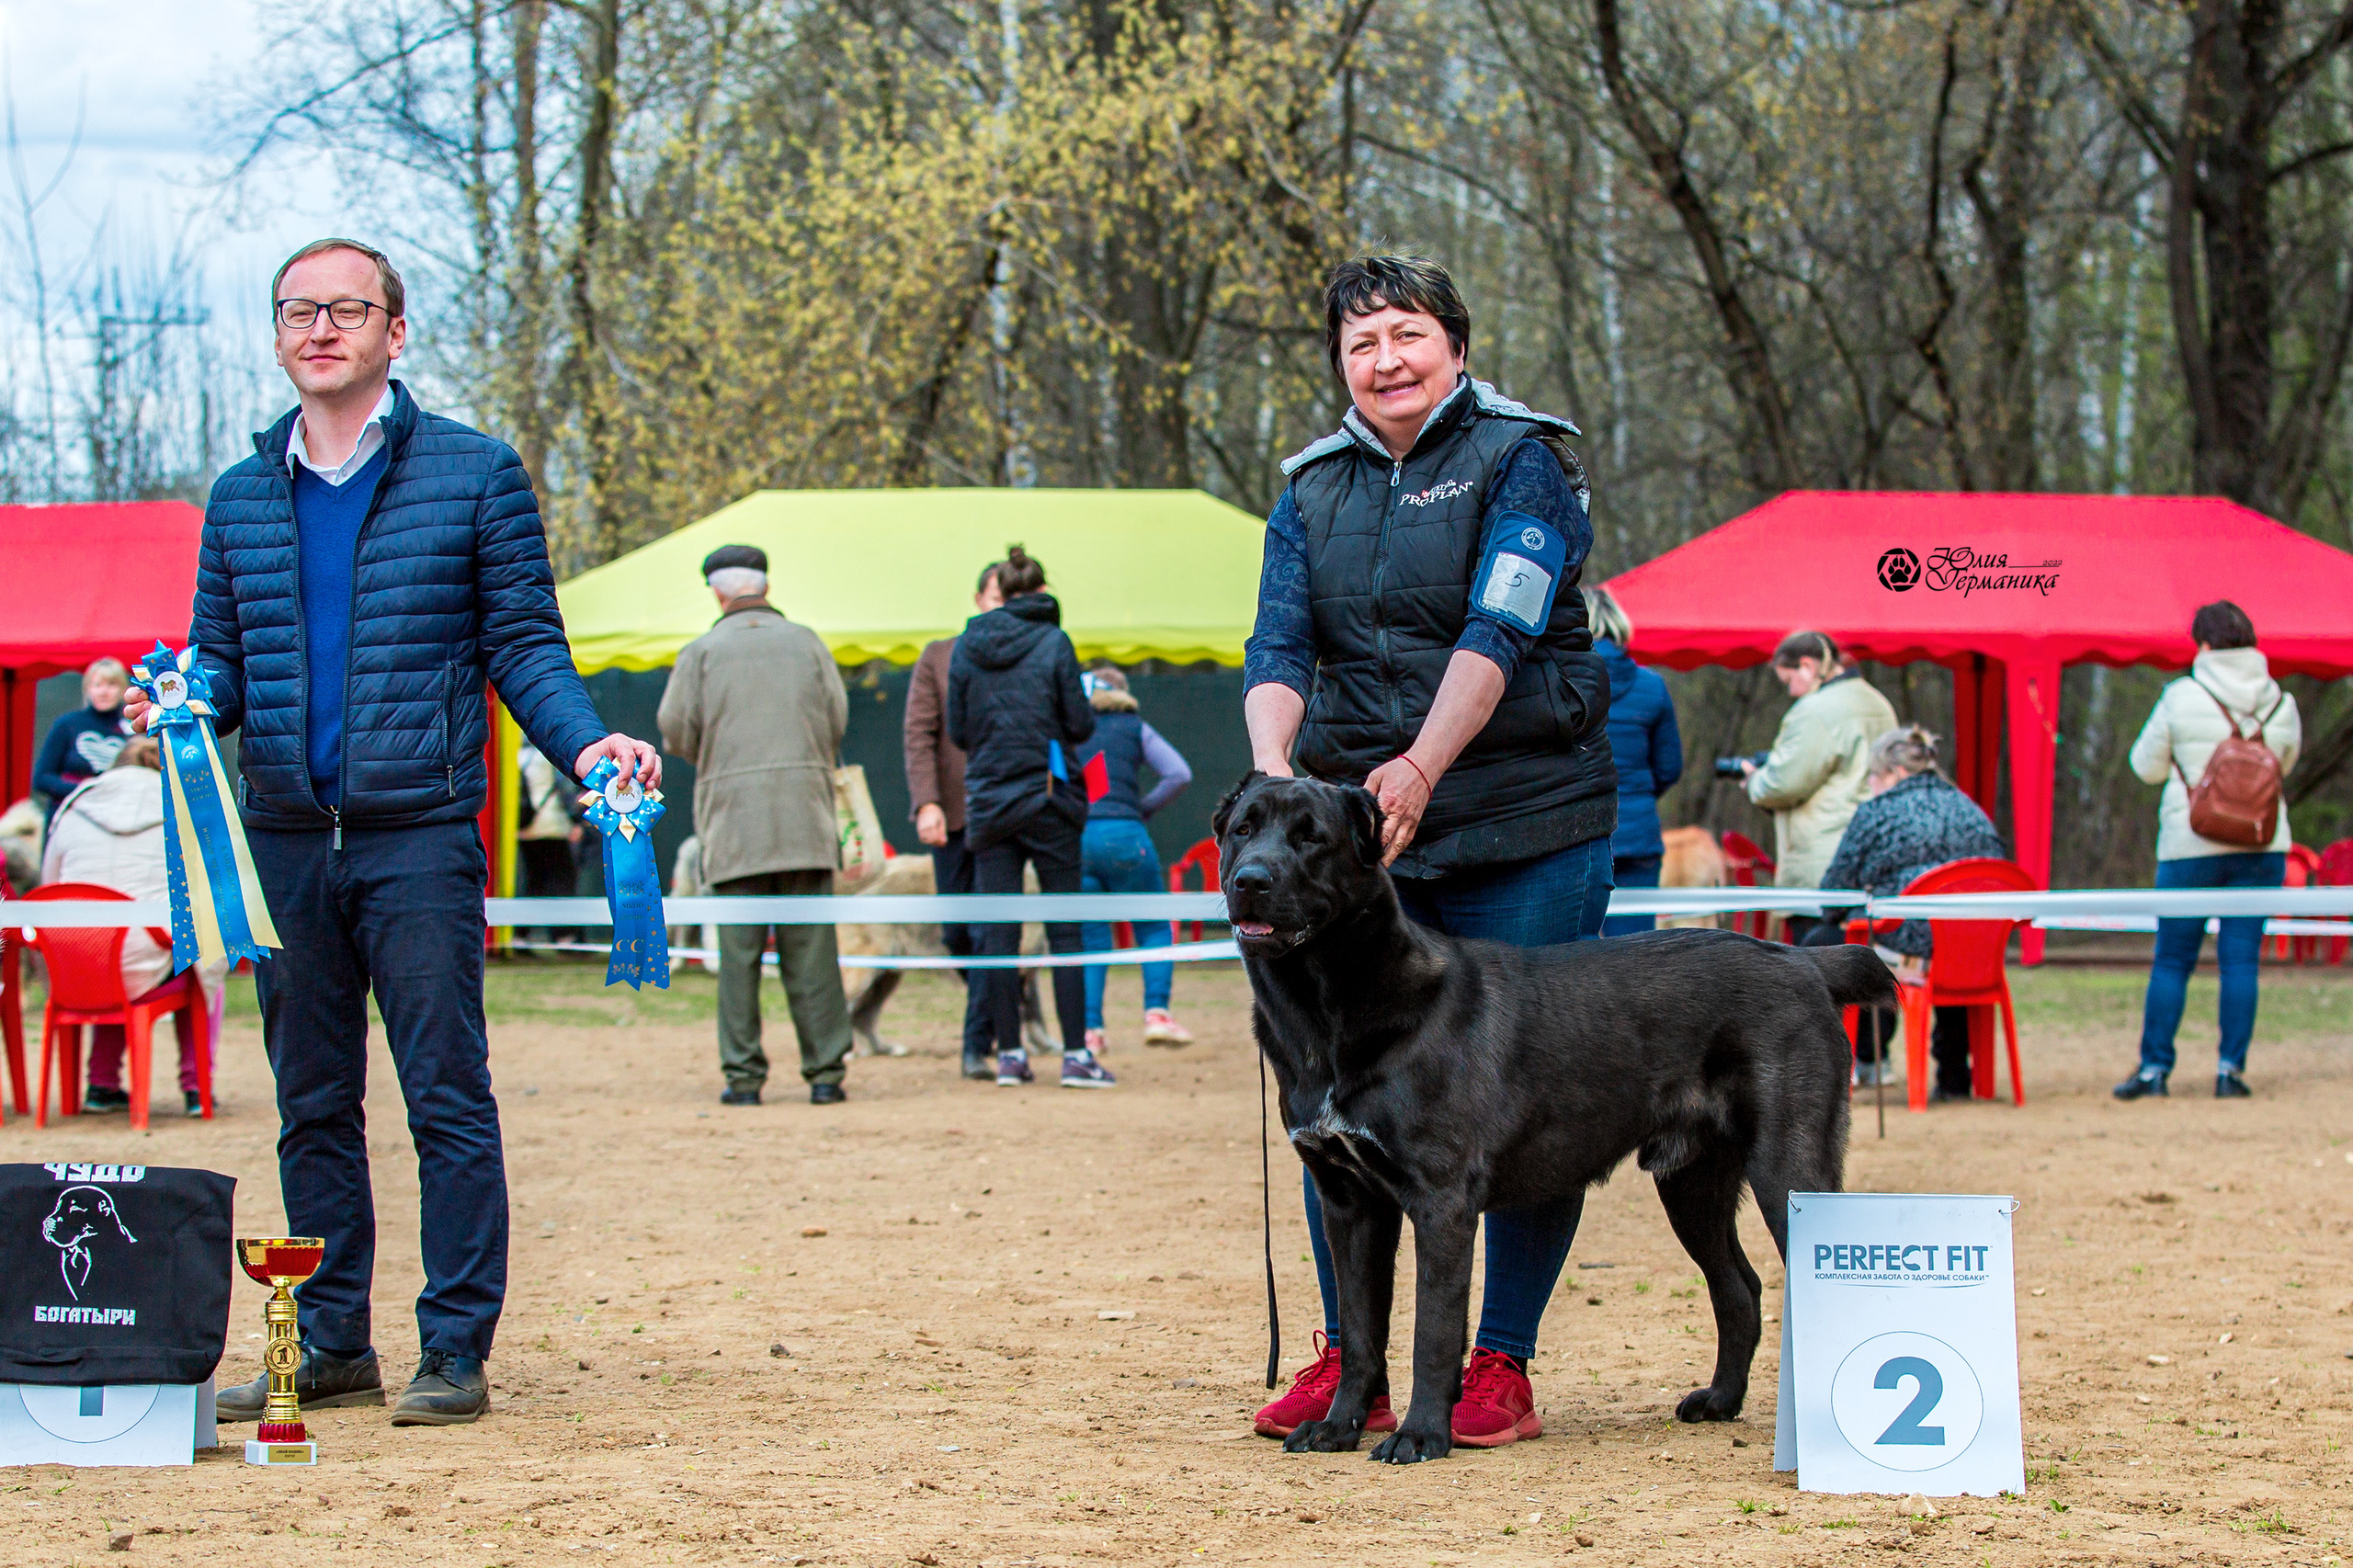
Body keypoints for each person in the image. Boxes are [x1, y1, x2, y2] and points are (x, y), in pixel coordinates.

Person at [132, 236, 657, 1429]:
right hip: (279, 837)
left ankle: (455, 1347)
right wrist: (185, 698)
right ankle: (329, 1341)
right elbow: (219, 651)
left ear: (394, 331)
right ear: (278, 333)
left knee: (445, 1096)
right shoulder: (237, 494)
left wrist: (585, 746)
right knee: (312, 1102)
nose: (319, 328)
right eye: (297, 311)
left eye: (346, 309)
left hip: (418, 836)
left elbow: (525, 641)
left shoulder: (476, 475)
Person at [1243, 255, 1616, 1449]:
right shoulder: (1310, 491)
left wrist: (1423, 764)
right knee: (1333, 1096)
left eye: (1407, 334)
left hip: (1527, 818)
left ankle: (1496, 1357)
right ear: (1340, 363)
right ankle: (1354, 1354)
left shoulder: (1524, 460)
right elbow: (1278, 644)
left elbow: (1501, 621)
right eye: (1362, 343)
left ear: (1454, 343)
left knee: (1530, 1097)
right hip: (1365, 848)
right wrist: (1275, 779)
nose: (1386, 359)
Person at [657, 544, 856, 1108]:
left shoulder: (700, 653)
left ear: (718, 591)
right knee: (814, 955)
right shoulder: (809, 644)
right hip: (805, 822)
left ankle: (743, 1079)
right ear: (764, 587)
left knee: (737, 959)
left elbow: (675, 729)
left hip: (733, 824)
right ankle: (825, 1075)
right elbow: (836, 720)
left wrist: (721, 762)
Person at [2115, 600, 2301, 1100]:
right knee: (2241, 962)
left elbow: (2145, 767)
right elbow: (2286, 762)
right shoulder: (2281, 702)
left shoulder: (2180, 696)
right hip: (2262, 846)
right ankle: (2229, 1071)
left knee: (2172, 960)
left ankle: (2155, 1070)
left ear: (2202, 644)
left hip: (2189, 844)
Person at [945, 544, 1108, 1088]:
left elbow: (959, 732)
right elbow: (1080, 726)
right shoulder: (1054, 641)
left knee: (997, 933)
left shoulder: (966, 644)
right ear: (1040, 592)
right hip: (1047, 799)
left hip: (989, 802)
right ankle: (1075, 1057)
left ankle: (1009, 1055)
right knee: (1065, 930)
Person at [1810, 727, 2006, 1097]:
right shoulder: (1971, 809)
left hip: (1904, 952)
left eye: (1873, 776)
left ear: (1895, 773)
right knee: (1948, 931)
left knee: (1824, 942)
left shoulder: (1876, 813)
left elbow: (1833, 898)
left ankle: (1850, 1061)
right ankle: (1953, 1074)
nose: (1870, 785)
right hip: (1975, 952)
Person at [39, 738, 224, 1118]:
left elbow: (50, 883)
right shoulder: (181, 806)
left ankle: (101, 1084)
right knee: (203, 958)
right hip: (145, 952)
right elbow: (202, 888)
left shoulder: (75, 805)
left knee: (111, 945)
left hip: (76, 962)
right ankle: (196, 1086)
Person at [905, 562, 1006, 1080]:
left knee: (991, 930)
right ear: (978, 599)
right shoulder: (938, 656)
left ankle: (977, 1044)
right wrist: (927, 803)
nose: (1002, 605)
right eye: (995, 596)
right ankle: (1004, 997)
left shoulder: (1037, 652)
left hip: (1007, 812)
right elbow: (918, 733)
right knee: (956, 934)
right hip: (953, 810)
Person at [1072, 664, 1195, 1051]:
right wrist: (1142, 808)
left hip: (1077, 840)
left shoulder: (1069, 729)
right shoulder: (1134, 727)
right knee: (1154, 926)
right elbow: (1178, 774)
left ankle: (1090, 1032)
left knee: (1091, 938)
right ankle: (1157, 1014)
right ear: (1123, 692)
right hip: (1125, 835)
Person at [1742, 629, 1897, 937]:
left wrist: (1754, 781)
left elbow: (1782, 784)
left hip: (1819, 868)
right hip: (1870, 860)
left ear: (1808, 666)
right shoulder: (1879, 704)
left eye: (1789, 680)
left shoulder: (1813, 711)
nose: (1791, 692)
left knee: (1816, 973)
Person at [1586, 586, 1682, 937]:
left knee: (1568, 960)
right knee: (1637, 955)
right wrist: (1637, 797)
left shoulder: (1560, 683)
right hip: (1638, 836)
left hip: (1578, 833)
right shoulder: (1653, 686)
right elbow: (1669, 767)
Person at [34, 658, 133, 818]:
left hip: (114, 817)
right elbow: (42, 779)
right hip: (70, 816)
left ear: (123, 689)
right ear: (87, 688)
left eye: (111, 685)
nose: (104, 692)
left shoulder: (132, 729)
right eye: (97, 685)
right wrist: (86, 789)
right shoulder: (68, 724)